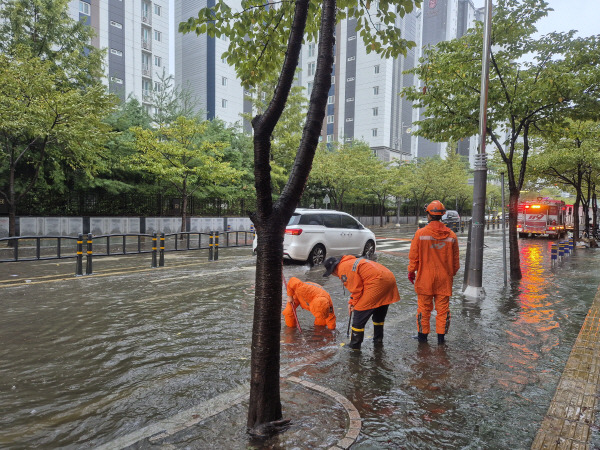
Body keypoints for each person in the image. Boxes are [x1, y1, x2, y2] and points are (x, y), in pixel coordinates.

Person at [408, 200, 460, 345]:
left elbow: (414, 257)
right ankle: (441, 340)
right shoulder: (451, 236)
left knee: (424, 309)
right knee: (443, 311)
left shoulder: (420, 234)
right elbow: (456, 264)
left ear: (429, 215)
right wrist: (449, 275)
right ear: (442, 215)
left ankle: (422, 338)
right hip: (444, 280)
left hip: (425, 278)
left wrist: (411, 272)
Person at [323, 255, 400, 349]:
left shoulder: (343, 269)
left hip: (377, 282)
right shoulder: (350, 261)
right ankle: (378, 340)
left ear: (333, 270)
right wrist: (352, 301)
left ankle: (355, 345)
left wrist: (353, 303)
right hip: (389, 278)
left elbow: (356, 289)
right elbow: (360, 284)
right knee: (379, 310)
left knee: (358, 314)